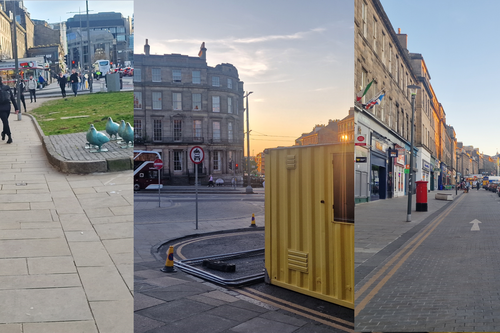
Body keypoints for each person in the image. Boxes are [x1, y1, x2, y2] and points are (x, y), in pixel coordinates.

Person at [0, 77, 19, 144]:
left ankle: (9, 136)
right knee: (5, 122)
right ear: (2, 80)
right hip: (8, 107)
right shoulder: (7, 87)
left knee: (5, 122)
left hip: (1, 108)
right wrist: (16, 108)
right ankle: (4, 133)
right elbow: (12, 98)